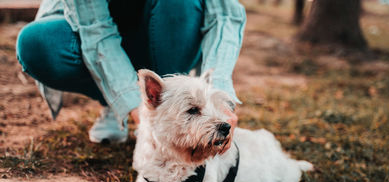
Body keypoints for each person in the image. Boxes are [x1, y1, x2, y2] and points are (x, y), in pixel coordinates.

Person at [16, 0, 245, 144]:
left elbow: (225, 15)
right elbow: (96, 32)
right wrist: (135, 103)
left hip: (169, 31)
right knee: (37, 44)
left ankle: (176, 111)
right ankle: (118, 105)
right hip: (92, 30)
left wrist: (216, 93)